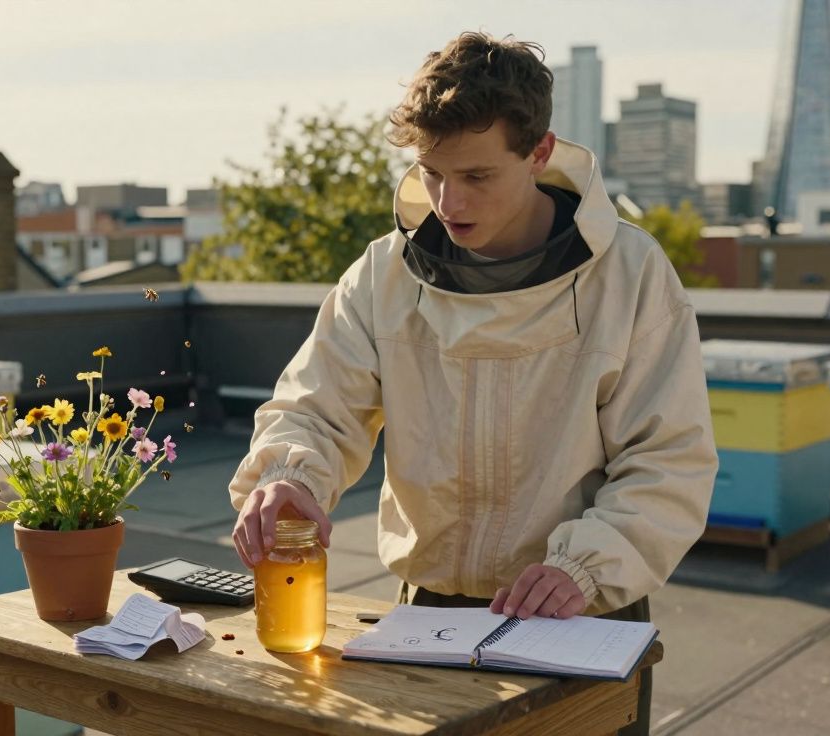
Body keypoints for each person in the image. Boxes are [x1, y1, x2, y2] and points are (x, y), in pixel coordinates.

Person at [229, 31, 716, 735]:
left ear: (539, 153)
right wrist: (289, 475)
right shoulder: (381, 274)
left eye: (478, 176)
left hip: (581, 612)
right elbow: (316, 407)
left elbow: (668, 459)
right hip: (426, 616)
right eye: (431, 172)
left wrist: (585, 567)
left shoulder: (632, 275)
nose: (448, 200)